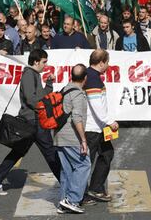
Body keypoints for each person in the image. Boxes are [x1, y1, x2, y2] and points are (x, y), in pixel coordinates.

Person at [0, 49, 61, 196]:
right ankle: (67, 182)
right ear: (36, 61)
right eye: (44, 62)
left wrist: (49, 83)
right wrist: (43, 107)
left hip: (33, 120)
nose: (45, 65)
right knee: (50, 152)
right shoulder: (29, 74)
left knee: (18, 152)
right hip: (34, 121)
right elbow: (31, 98)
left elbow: (41, 96)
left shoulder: (35, 75)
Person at [54, 64, 90, 214]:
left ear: (71, 76)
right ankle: (73, 199)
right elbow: (77, 118)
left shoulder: (65, 89)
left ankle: (63, 201)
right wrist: (83, 140)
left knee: (67, 169)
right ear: (85, 78)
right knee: (84, 165)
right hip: (71, 137)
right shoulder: (78, 94)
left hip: (58, 136)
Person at [84, 50, 119, 203]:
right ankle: (82, 194)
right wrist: (110, 121)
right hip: (92, 127)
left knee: (107, 153)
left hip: (98, 127)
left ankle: (96, 187)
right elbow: (96, 104)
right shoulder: (92, 79)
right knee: (87, 162)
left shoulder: (91, 75)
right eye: (107, 61)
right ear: (102, 62)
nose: (108, 65)